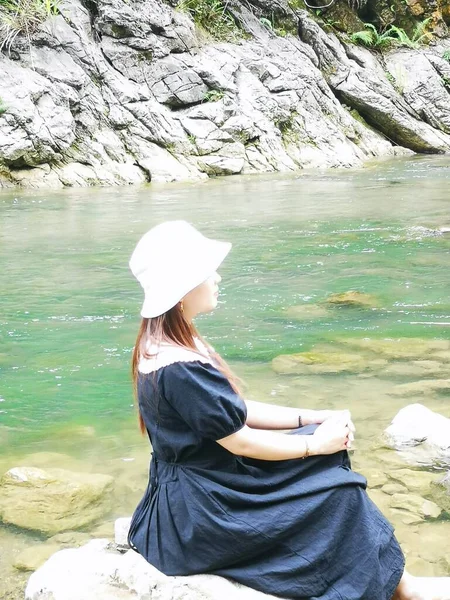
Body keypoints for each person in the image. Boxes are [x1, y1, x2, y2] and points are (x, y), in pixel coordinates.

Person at [127, 220, 450, 600]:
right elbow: (241, 442)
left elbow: (234, 410)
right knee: (338, 490)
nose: (217, 278)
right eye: (206, 272)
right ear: (182, 291)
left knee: (327, 462)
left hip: (204, 484)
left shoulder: (168, 343)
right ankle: (396, 588)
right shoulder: (178, 365)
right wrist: (317, 445)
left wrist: (311, 418)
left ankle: (394, 582)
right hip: (202, 509)